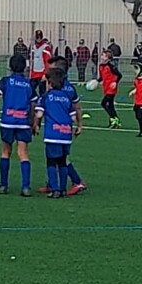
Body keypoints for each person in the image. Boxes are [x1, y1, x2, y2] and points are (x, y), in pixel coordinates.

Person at [0, 54, 35, 196]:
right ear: (25, 67)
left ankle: (3, 185)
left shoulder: (5, 81)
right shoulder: (29, 84)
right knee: (23, 153)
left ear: (10, 67)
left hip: (8, 122)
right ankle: (25, 187)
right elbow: (33, 104)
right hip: (23, 122)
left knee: (5, 152)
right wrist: (33, 122)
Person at [32, 68, 82, 199]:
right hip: (66, 134)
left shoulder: (46, 96)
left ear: (50, 83)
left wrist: (36, 124)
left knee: (51, 162)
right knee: (62, 162)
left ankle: (54, 189)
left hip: (52, 134)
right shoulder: (67, 97)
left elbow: (39, 114)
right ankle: (63, 189)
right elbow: (73, 117)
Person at [46, 55, 86, 195]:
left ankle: (77, 181)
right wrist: (79, 125)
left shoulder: (59, 88)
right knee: (58, 157)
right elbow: (77, 107)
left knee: (59, 158)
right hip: (64, 129)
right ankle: (52, 184)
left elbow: (76, 107)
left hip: (57, 129)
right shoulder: (69, 88)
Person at [98, 49, 122, 129]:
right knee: (111, 106)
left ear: (108, 58)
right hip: (106, 88)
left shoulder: (111, 66)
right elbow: (101, 77)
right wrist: (96, 82)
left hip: (111, 89)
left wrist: (115, 82)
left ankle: (113, 119)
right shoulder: (101, 66)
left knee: (103, 103)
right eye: (102, 55)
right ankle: (116, 122)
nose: (102, 57)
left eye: (104, 56)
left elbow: (119, 75)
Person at [29, 29, 53, 97]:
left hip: (42, 73)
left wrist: (45, 73)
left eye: (40, 37)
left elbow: (47, 61)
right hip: (34, 73)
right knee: (30, 90)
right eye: (37, 37)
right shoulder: (32, 46)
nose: (39, 39)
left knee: (42, 92)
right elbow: (30, 59)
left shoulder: (45, 47)